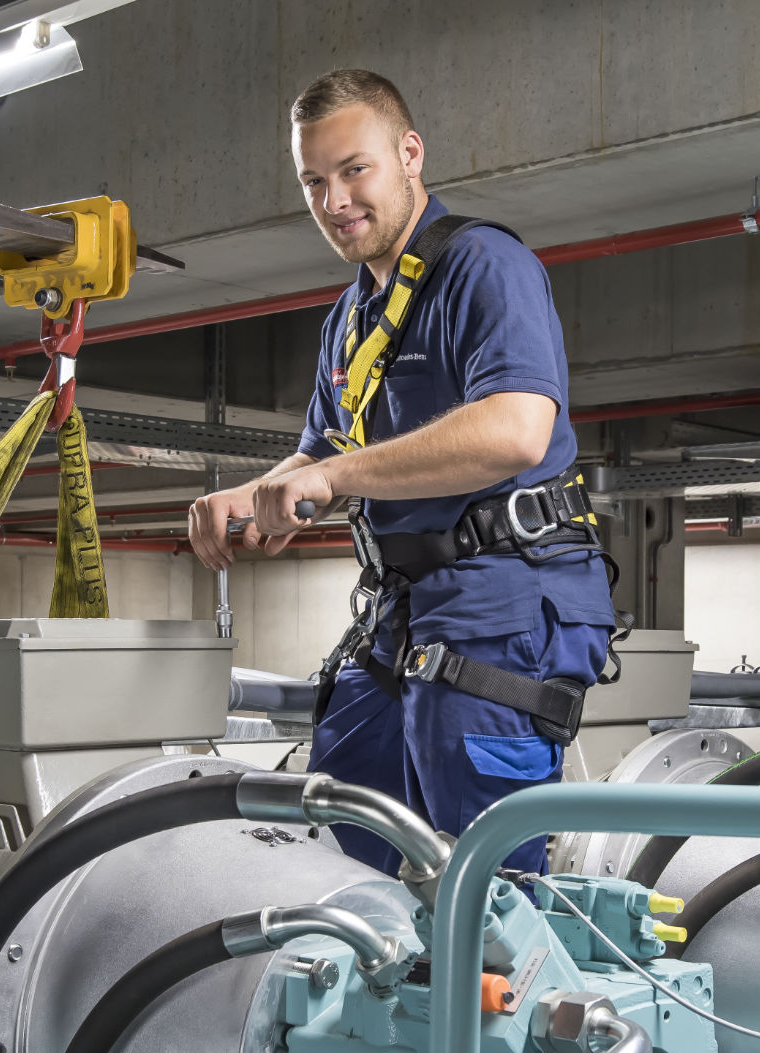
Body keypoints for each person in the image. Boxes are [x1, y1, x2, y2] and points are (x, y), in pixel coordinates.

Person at [188, 69, 616, 879]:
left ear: (409, 154)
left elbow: (520, 429)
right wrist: (249, 497)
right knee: (340, 820)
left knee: (484, 877)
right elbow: (323, 452)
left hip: (503, 605)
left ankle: (506, 995)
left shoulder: (483, 267)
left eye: (356, 169)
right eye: (314, 181)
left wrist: (332, 475)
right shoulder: (350, 318)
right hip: (403, 615)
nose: (335, 199)